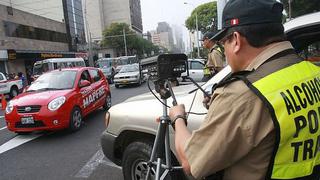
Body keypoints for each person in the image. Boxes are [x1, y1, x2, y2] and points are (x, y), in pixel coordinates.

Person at [167, 0, 320, 179]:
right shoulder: (313, 73)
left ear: (237, 40)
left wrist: (177, 118)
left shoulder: (241, 95)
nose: (224, 50)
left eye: (224, 42)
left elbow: (191, 163)